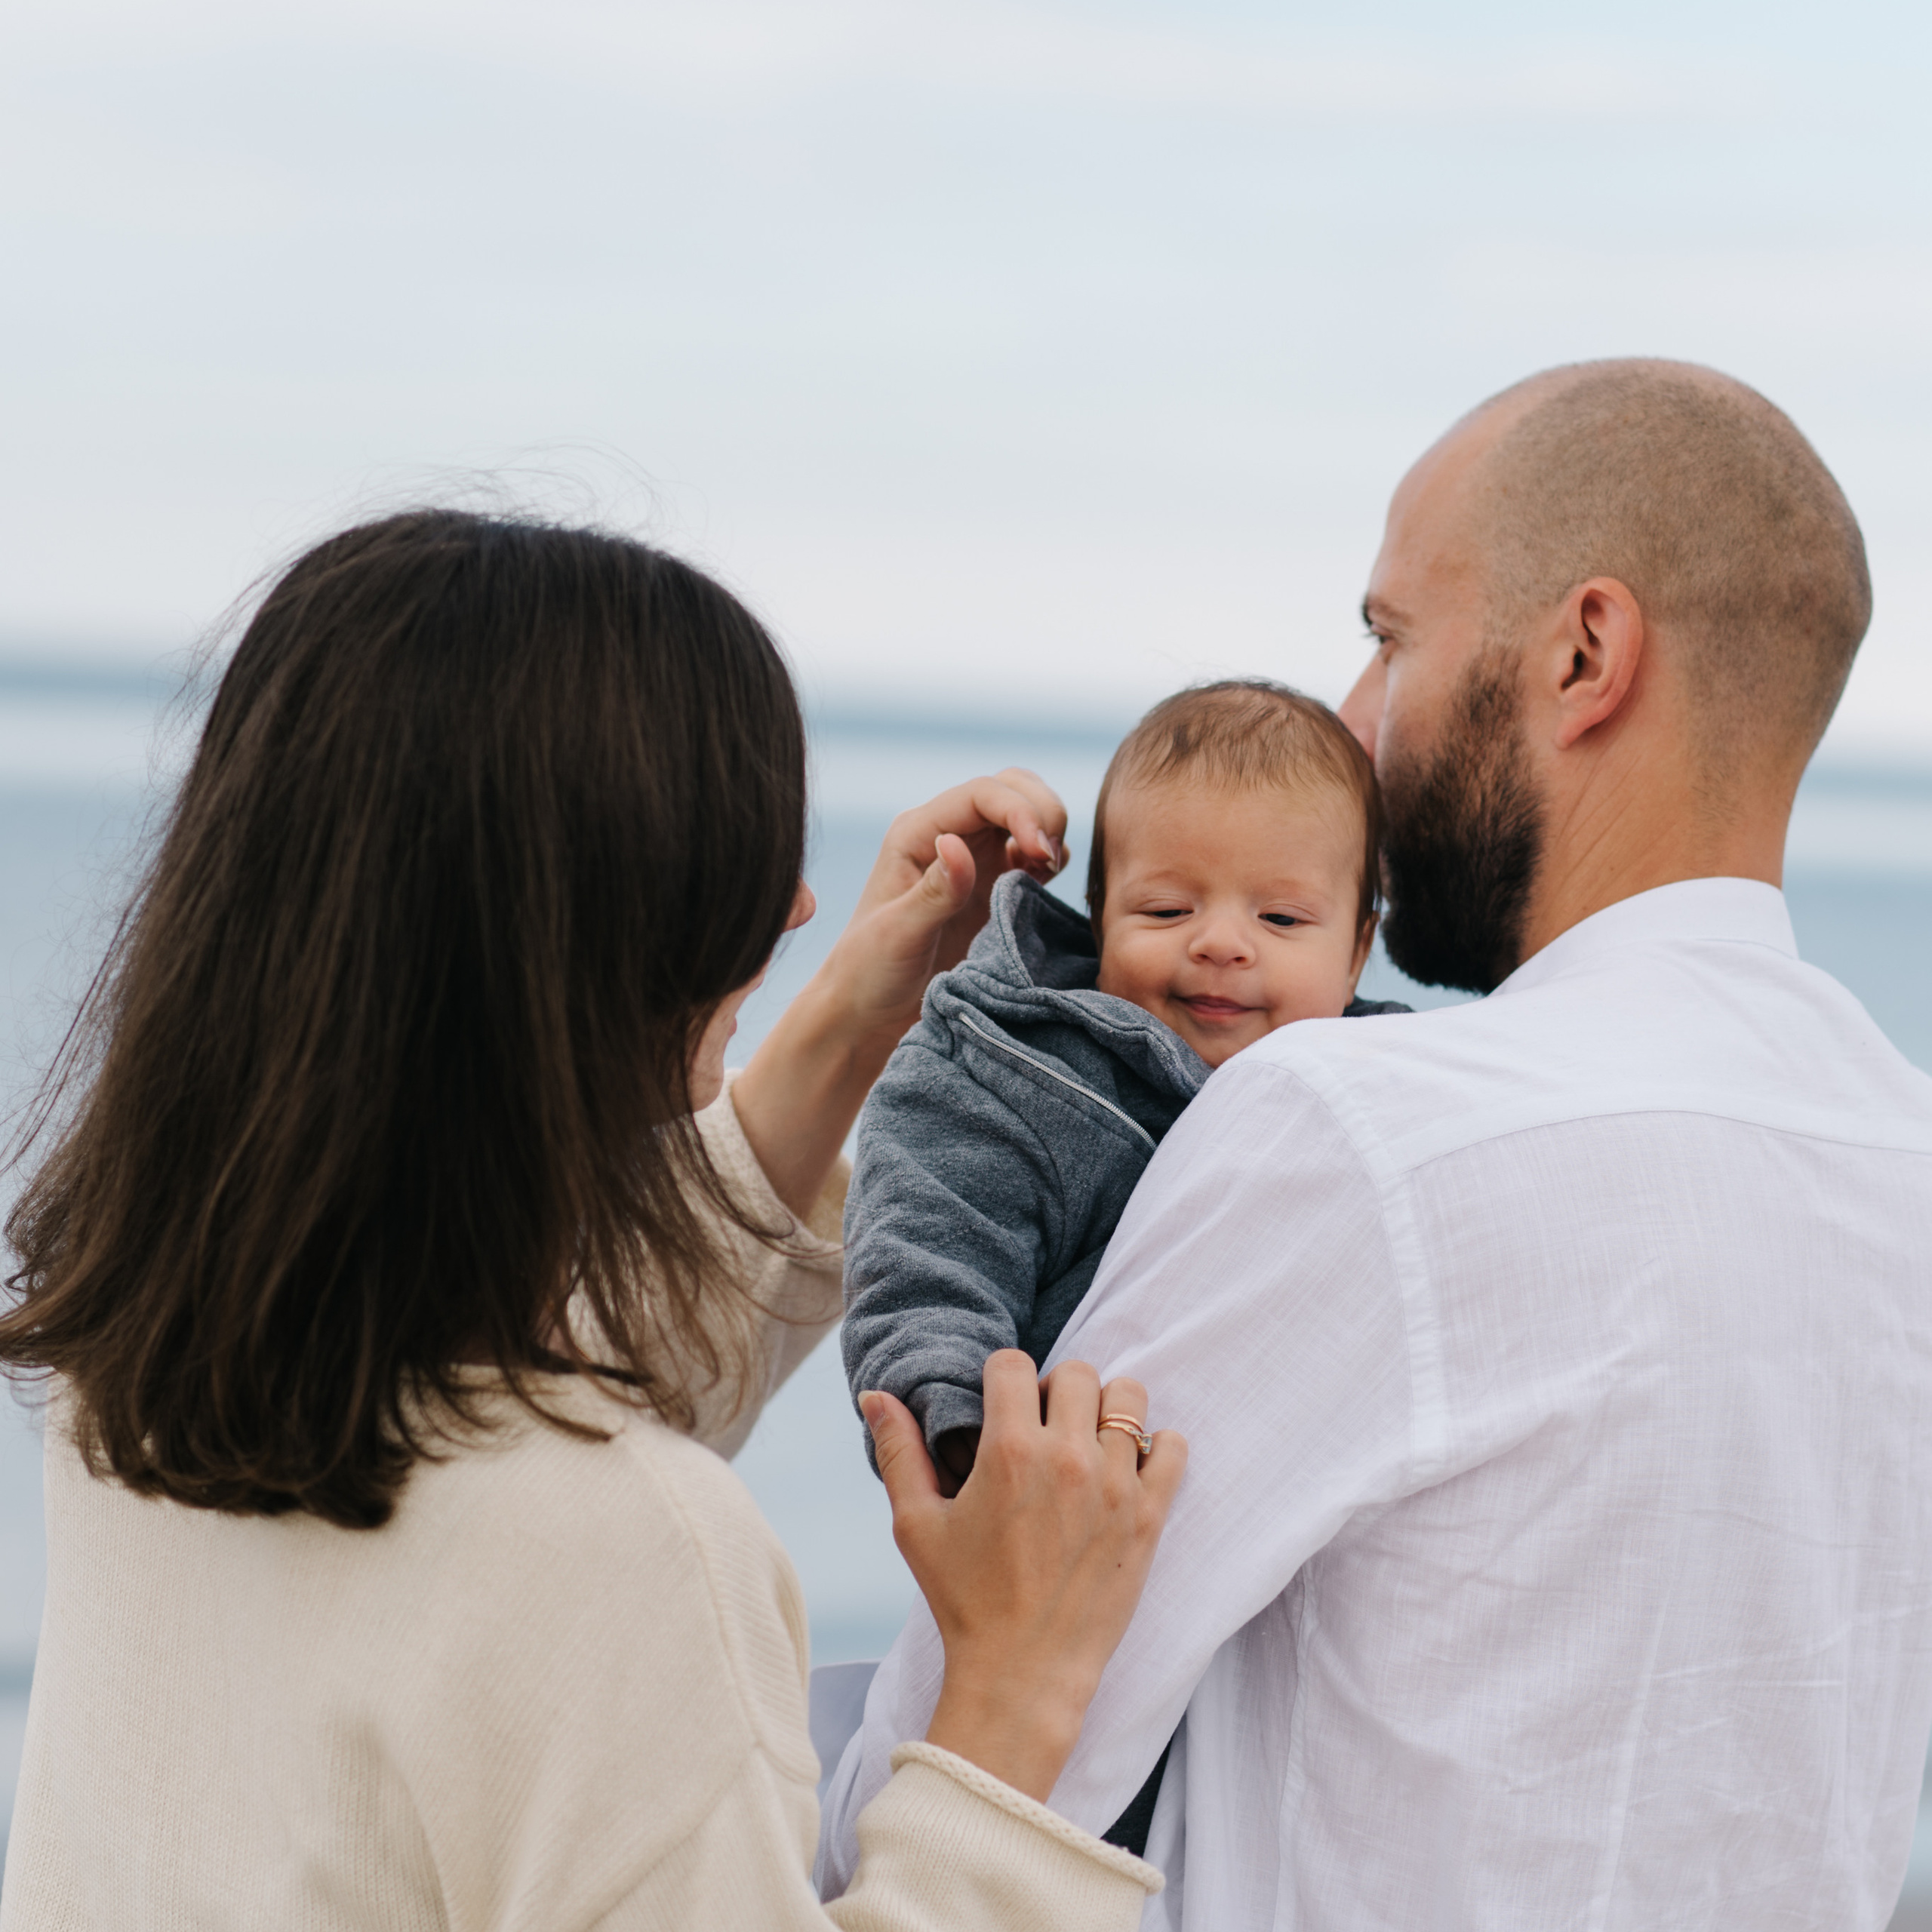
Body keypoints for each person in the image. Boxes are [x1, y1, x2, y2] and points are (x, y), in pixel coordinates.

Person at [822, 359, 1932, 1929]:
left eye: (1386, 639)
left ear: (1581, 653)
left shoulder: (1356, 1132)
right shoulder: (1898, 1152)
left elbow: (977, 1761)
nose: (1350, 723)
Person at [0, 510, 1187, 1931]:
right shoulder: (627, 1557)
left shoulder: (142, 1381)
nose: (801, 903)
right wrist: (1010, 1709)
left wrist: (857, 1019)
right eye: (738, 867)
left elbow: (508, 1416)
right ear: (589, 944)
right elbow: (551, 1509)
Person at [841, 681, 1404, 1500]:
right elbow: (923, 1245)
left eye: (1280, 919)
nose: (1219, 942)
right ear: (1100, 918)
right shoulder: (1019, 1070)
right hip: (1059, 1505)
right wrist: (960, 1421)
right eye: (1167, 908)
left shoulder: (1398, 1084)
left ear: (1356, 952)